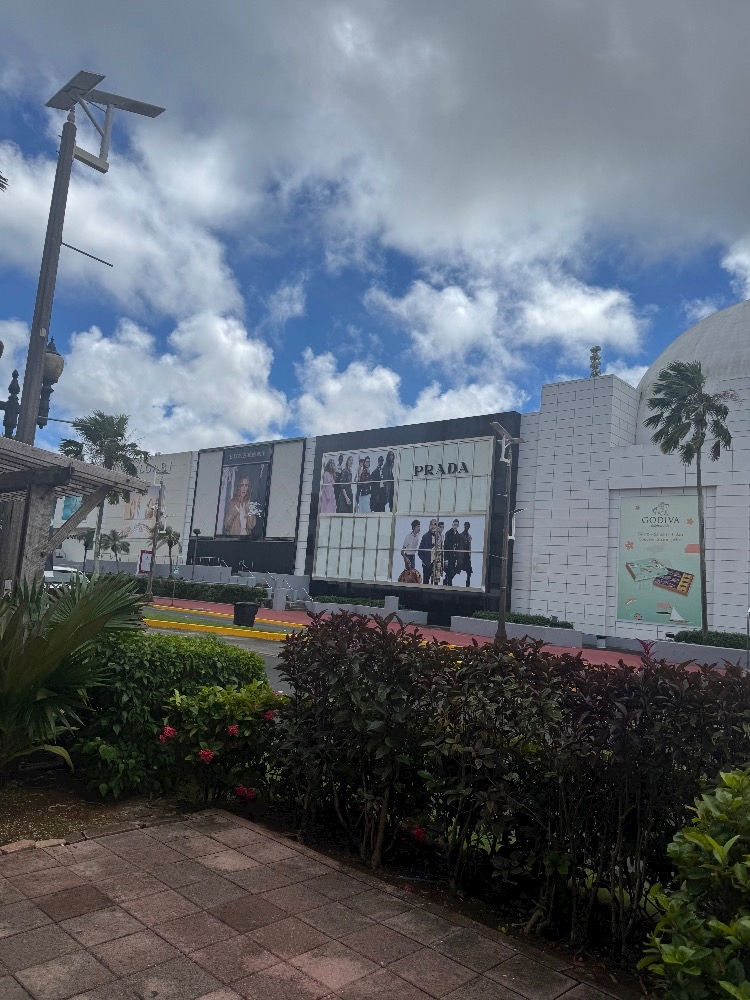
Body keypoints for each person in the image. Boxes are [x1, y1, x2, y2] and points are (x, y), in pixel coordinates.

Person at [418, 519, 439, 585]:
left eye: (435, 524)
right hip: (427, 564)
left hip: (435, 564)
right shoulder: (425, 536)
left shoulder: (438, 536)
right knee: (426, 582)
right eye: (431, 524)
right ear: (429, 525)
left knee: (435, 583)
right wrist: (426, 562)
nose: (433, 526)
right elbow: (419, 552)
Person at [443, 518, 462, 585]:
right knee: (449, 572)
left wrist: (457, 558)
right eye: (454, 524)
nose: (455, 526)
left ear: (458, 526)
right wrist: (446, 560)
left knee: (452, 572)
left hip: (454, 557)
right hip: (449, 556)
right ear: (452, 525)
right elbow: (446, 547)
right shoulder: (448, 533)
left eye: (456, 525)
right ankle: (449, 585)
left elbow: (458, 547)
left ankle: (446, 581)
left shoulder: (458, 535)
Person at [458, 521, 473, 587]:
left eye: (468, 526)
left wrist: (469, 554)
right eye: (466, 526)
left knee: (469, 571)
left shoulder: (469, 536)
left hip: (467, 556)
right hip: (461, 556)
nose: (467, 527)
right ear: (464, 526)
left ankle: (467, 586)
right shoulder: (461, 535)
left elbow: (469, 547)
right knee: (456, 570)